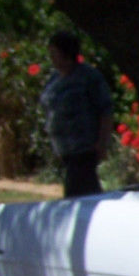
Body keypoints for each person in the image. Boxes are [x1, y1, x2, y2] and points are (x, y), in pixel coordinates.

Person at [40, 29, 113, 199]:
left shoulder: (88, 77)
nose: (51, 57)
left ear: (66, 52)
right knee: (81, 194)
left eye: (54, 53)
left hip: (83, 149)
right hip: (66, 152)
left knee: (79, 196)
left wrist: (102, 143)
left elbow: (106, 110)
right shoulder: (54, 79)